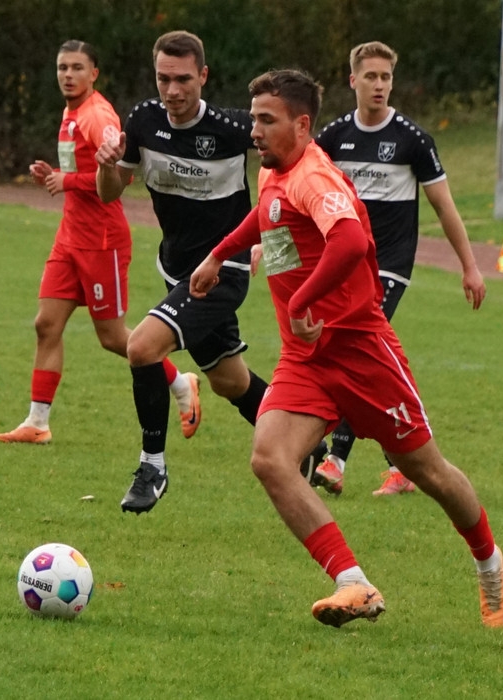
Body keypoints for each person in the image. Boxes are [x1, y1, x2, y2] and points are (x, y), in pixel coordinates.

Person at [189, 68, 503, 629]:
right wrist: (220, 254)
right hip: (306, 359)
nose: (255, 130)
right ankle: (353, 583)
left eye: (266, 120)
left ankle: (490, 565)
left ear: (302, 124)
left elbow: (350, 240)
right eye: (254, 117)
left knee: (429, 472)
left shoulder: (314, 176)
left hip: (362, 353)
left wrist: (301, 300)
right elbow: (268, 214)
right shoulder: (275, 169)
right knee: (270, 459)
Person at [95, 31, 322, 514]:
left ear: (203, 76)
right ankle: (305, 442)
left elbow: (291, 163)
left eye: (182, 79)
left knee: (141, 347)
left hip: (223, 271)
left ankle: (152, 467)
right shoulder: (143, 120)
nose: (172, 90)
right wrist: (107, 165)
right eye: (163, 79)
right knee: (228, 380)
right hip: (175, 268)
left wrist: (267, 239)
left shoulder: (234, 127)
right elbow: (110, 193)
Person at [0, 40, 198, 446]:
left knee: (113, 337)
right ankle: (37, 422)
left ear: (94, 74)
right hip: (69, 238)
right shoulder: (71, 112)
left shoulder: (97, 116)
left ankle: (181, 383)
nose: (68, 75)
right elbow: (83, 169)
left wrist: (67, 181)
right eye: (62, 67)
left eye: (77, 68)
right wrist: (53, 175)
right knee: (46, 324)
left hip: (102, 241)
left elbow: (120, 177)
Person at [313, 40, 486, 497]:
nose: (379, 85)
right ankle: (402, 463)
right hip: (345, 265)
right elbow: (301, 193)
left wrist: (470, 266)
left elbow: (445, 207)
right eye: (370, 76)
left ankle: (334, 459)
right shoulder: (333, 138)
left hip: (389, 265)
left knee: (352, 347)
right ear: (352, 80)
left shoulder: (413, 139)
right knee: (370, 361)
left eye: (386, 77)